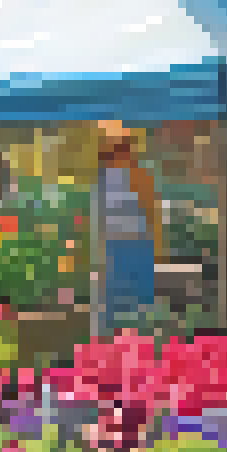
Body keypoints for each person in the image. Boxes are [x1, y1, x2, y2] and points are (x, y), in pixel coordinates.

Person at [96, 120, 165, 328]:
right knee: (122, 306)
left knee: (134, 306)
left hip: (135, 246)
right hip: (120, 247)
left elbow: (152, 212)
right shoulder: (106, 177)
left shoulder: (137, 175)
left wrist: (158, 248)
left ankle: (134, 340)